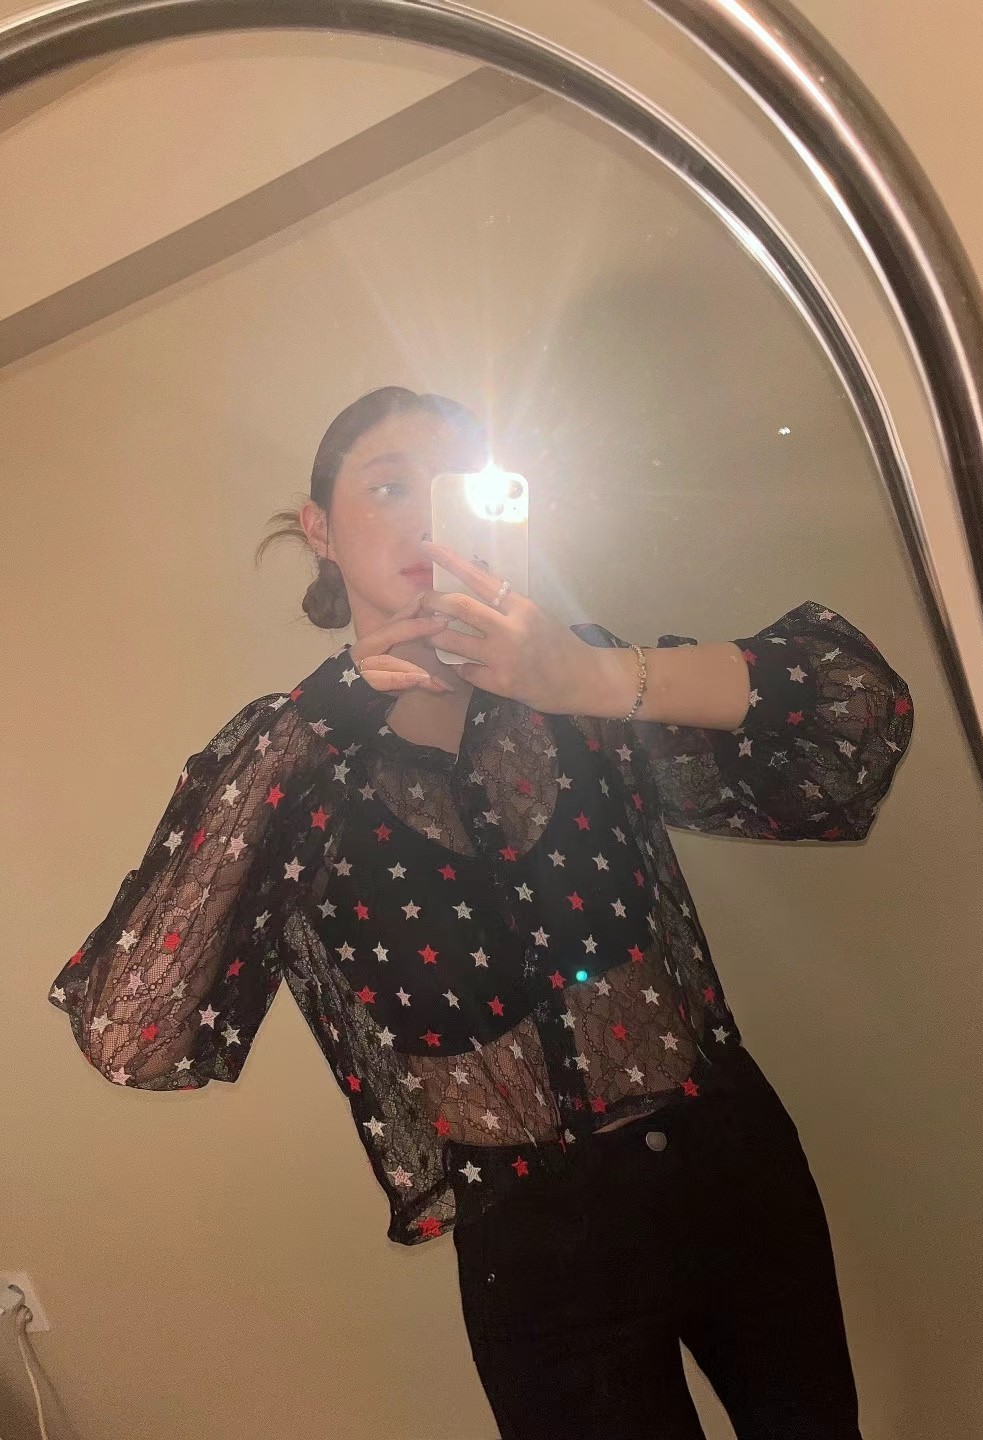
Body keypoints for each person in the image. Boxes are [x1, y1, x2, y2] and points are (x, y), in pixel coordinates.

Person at [49, 386, 913, 1439]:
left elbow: (853, 713)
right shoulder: (299, 768)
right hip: (537, 1251)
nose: (424, 515)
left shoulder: (577, 687)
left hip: (731, 1171)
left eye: (453, 483)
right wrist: (317, 717)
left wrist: (592, 675)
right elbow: (133, 1033)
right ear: (319, 527)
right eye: (388, 486)